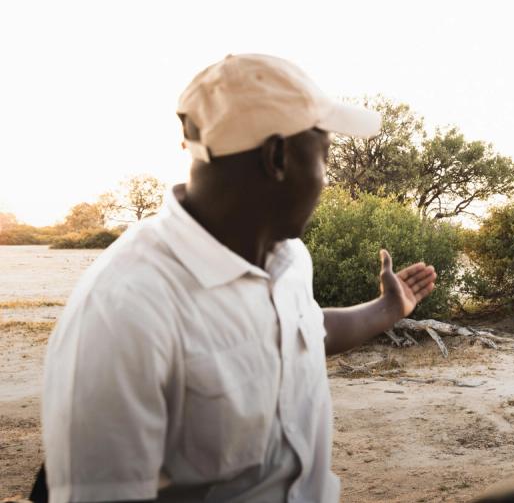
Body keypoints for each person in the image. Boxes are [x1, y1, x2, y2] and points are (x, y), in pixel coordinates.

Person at [40, 53, 437, 503]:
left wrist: (388, 308)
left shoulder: (288, 258)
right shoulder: (125, 309)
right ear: (277, 157)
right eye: (324, 158)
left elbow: (301, 329)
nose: (327, 181)